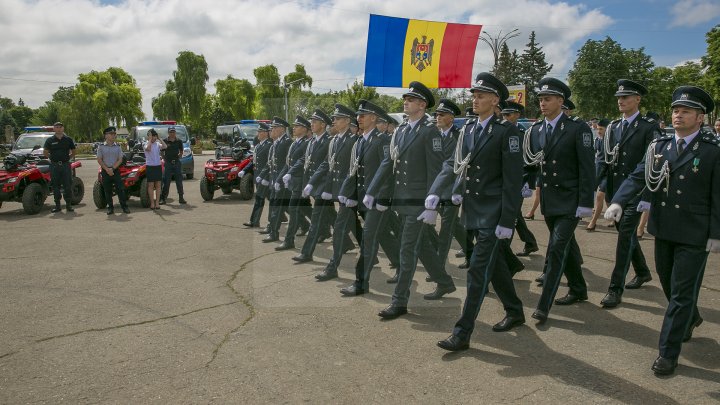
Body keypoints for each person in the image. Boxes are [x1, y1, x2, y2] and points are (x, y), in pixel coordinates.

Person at [605, 85, 719, 376]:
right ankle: (691, 317)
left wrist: (716, 234)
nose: (678, 115)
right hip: (664, 227)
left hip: (695, 232)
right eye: (676, 110)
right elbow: (637, 175)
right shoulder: (660, 146)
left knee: (680, 293)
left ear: (700, 117)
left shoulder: (711, 151)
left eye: (686, 111)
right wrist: (618, 200)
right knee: (669, 285)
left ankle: (668, 353)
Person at [425, 73, 525, 351]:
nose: (475, 99)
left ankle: (462, 332)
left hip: (494, 214)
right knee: (494, 267)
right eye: (474, 95)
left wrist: (508, 220)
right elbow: (454, 163)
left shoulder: (508, 132)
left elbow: (513, 180)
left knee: (477, 271)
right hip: (472, 209)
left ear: (495, 100)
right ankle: (515, 310)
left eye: (481, 96)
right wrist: (437, 190)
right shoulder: (468, 129)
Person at [364, 81, 456, 319]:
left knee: (407, 249)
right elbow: (389, 163)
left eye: (411, 99)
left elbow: (437, 170)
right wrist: (372, 190)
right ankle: (445, 282)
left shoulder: (429, 131)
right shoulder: (402, 130)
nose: (406, 102)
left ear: (422, 105)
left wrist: (432, 204)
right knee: (420, 245)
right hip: (402, 199)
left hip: (418, 201)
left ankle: (399, 301)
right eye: (405, 98)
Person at [522, 77, 595, 323]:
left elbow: (587, 168)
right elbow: (533, 164)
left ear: (561, 101)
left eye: (548, 99)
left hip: (571, 200)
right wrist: (524, 184)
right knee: (567, 247)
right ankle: (578, 288)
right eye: (541, 99)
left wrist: (586, 201)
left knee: (555, 249)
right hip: (550, 200)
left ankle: (544, 305)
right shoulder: (536, 130)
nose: (543, 103)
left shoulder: (577, 128)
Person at [598, 80, 662, 309]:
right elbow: (604, 159)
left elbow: (649, 164)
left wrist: (645, 196)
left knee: (625, 235)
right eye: (619, 97)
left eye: (626, 97)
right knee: (626, 234)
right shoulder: (614, 127)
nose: (621, 101)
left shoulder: (648, 127)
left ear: (638, 99)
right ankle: (643, 272)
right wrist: (597, 185)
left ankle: (615, 289)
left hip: (636, 191)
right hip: (615, 191)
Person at [337, 100, 399, 295]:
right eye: (358, 115)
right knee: (383, 236)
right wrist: (348, 194)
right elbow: (354, 171)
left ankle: (360, 283)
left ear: (374, 118)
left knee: (368, 239)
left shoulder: (382, 141)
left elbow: (387, 172)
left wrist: (381, 199)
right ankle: (401, 264)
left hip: (377, 200)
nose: (359, 118)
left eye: (363, 115)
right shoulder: (361, 141)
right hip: (364, 198)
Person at [310, 104, 362, 281]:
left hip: (352, 193)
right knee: (350, 227)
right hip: (340, 192)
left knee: (341, 229)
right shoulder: (335, 140)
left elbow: (355, 170)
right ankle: (333, 267)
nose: (334, 121)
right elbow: (327, 165)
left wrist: (351, 193)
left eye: (338, 118)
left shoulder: (354, 140)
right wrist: (314, 183)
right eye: (334, 118)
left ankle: (332, 268)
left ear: (347, 121)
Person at [433, 99, 473, 268]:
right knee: (455, 226)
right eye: (436, 114)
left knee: (446, 228)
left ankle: (439, 267)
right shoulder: (434, 135)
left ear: (451, 118)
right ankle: (472, 253)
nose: (437, 117)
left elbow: (459, 166)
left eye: (441, 115)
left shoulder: (459, 136)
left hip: (451, 188)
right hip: (436, 188)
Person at [293, 110, 335, 262]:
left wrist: (315, 184)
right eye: (311, 121)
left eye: (315, 122)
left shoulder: (329, 141)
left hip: (323, 185)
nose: (311, 124)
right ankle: (346, 244)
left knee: (316, 221)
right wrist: (291, 173)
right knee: (333, 218)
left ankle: (306, 253)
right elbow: (304, 160)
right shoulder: (312, 141)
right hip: (313, 185)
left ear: (323, 125)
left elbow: (326, 166)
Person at [502, 100, 540, 258]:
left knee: (510, 216)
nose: (505, 117)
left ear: (517, 115)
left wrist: (528, 184)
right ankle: (530, 242)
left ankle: (505, 254)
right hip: (505, 182)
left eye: (508, 114)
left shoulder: (525, 135)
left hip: (519, 182)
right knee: (514, 214)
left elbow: (532, 161)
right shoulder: (501, 130)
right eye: (504, 114)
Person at [276, 116, 312, 250]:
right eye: (294, 126)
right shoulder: (294, 143)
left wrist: (290, 173)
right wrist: (280, 178)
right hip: (293, 182)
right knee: (304, 209)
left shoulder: (307, 143)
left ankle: (289, 240)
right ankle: (322, 230)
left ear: (304, 129)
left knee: (293, 209)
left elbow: (302, 161)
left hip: (301, 182)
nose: (294, 128)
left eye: (297, 126)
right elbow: (288, 163)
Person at [259, 117, 292, 243]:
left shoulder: (287, 142)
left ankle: (274, 232)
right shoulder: (277, 142)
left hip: (282, 180)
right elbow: (272, 163)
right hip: (275, 179)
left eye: (274, 128)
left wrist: (279, 179)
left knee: (277, 207)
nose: (272, 130)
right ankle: (272, 228)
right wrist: (265, 177)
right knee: (276, 206)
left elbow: (286, 164)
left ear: (281, 129)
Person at [243, 122, 272, 228]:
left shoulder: (269, 145)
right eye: (258, 131)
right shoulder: (259, 145)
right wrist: (244, 170)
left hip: (265, 178)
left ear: (265, 133)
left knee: (259, 199)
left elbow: (270, 163)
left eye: (260, 132)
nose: (258, 134)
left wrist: (266, 177)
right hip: (258, 177)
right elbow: (254, 161)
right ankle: (285, 216)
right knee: (273, 199)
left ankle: (254, 221)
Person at [43, 122, 76, 213]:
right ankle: (58, 206)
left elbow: (73, 151)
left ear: (63, 128)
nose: (58, 129)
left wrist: (68, 158)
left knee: (67, 185)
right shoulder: (50, 140)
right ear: (54, 129)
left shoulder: (68, 139)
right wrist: (51, 158)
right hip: (54, 165)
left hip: (65, 165)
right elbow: (45, 152)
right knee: (55, 186)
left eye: (60, 127)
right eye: (56, 127)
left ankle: (68, 205)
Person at [96, 126, 130, 215]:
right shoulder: (101, 147)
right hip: (105, 171)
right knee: (107, 191)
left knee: (120, 190)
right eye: (111, 134)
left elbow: (120, 159)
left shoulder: (118, 147)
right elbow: (99, 159)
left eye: (114, 134)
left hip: (115, 170)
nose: (113, 135)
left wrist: (113, 168)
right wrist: (107, 169)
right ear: (106, 135)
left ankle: (124, 207)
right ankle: (110, 208)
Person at [586, 118, 611, 230]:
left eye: (601, 129)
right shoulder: (597, 140)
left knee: (600, 196)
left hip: (608, 172)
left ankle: (593, 222)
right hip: (598, 171)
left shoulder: (611, 141)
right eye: (598, 128)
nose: (599, 131)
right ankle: (614, 218)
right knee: (607, 199)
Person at [160, 127, 186, 205]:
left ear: (175, 133)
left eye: (173, 132)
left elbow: (181, 151)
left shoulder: (179, 141)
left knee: (179, 181)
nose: (172, 133)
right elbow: (161, 151)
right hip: (168, 163)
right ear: (168, 133)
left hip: (177, 163)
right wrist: (164, 159)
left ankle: (181, 198)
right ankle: (163, 198)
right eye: (171, 132)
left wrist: (179, 156)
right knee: (166, 181)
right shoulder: (165, 141)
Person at [144, 128, 166, 210]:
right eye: (152, 136)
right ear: (149, 137)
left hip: (157, 166)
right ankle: (152, 203)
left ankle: (157, 203)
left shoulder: (157, 144)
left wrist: (160, 138)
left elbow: (165, 146)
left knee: (158, 185)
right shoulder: (145, 143)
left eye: (155, 136)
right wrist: (149, 140)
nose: (154, 138)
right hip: (150, 166)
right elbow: (148, 148)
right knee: (150, 185)